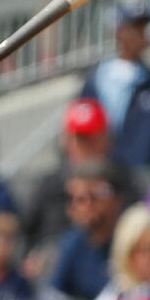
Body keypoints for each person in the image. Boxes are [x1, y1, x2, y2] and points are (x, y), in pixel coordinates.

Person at [80, 4, 150, 169]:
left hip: (144, 176)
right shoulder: (96, 80)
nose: (140, 36)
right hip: (101, 173)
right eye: (134, 29)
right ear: (120, 33)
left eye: (143, 30)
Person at [23, 98, 112, 262]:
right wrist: (29, 258)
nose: (84, 146)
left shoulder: (121, 182)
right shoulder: (48, 186)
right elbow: (23, 232)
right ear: (66, 140)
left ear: (105, 138)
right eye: (79, 138)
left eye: (91, 138)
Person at [45, 165, 129, 300]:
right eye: (74, 199)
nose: (81, 206)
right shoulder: (72, 243)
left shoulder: (135, 241)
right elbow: (54, 296)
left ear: (115, 199)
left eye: (91, 197)